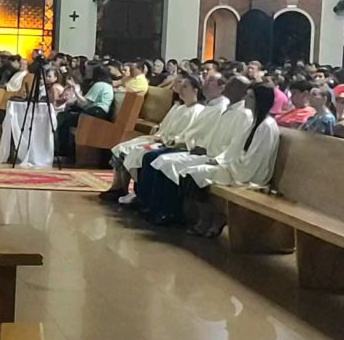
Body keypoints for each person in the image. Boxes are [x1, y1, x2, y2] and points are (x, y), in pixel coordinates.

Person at [177, 83, 281, 235]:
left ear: (261, 101)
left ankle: (209, 219)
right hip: (236, 167)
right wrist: (220, 160)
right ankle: (210, 217)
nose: (246, 99)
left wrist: (228, 165)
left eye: (250, 97)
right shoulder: (254, 121)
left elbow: (256, 159)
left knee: (195, 175)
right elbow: (235, 148)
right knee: (189, 173)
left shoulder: (266, 126)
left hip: (248, 174)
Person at [99, 75, 204, 202]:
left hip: (171, 144)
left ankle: (140, 194)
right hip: (161, 139)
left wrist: (167, 139)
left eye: (185, 87)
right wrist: (158, 135)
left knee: (138, 152)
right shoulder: (180, 107)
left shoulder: (197, 110)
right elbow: (165, 127)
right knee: (121, 148)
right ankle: (119, 187)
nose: (181, 89)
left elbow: (187, 135)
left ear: (195, 90)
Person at [55, 64, 114, 161]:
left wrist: (75, 90)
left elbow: (85, 102)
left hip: (95, 113)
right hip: (99, 113)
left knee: (64, 119)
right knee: (65, 118)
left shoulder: (99, 85)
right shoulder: (107, 85)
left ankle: (64, 152)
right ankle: (66, 152)